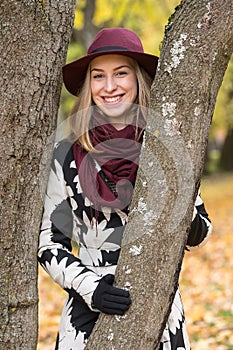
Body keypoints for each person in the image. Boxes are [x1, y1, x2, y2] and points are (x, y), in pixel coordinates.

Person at [38, 27, 212, 350]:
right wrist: (92, 288)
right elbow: (49, 244)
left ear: (138, 79)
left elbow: (202, 229)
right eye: (98, 76)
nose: (109, 86)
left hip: (159, 312)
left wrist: (181, 208)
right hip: (88, 317)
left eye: (120, 73)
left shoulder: (164, 146)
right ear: (89, 84)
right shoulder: (66, 155)